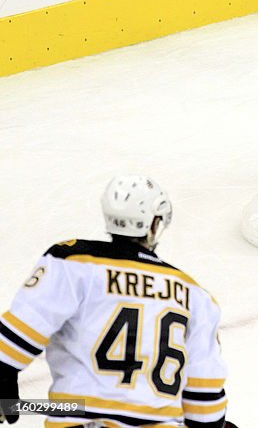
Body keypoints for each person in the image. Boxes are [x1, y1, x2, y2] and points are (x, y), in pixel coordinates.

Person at [0, 176, 233, 428]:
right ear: (154, 224)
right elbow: (204, 405)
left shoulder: (74, 262)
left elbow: (17, 335)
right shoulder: (194, 294)